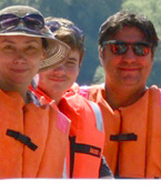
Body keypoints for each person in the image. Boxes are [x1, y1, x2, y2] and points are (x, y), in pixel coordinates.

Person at [85, 10, 161, 180]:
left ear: (152, 55)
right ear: (101, 53)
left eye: (140, 49)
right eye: (118, 48)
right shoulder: (74, 108)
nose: (129, 58)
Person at [0, 5, 74, 179]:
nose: (20, 58)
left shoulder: (51, 118)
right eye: (9, 47)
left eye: (30, 48)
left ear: (43, 55)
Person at [34, 17, 110, 178]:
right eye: (52, 60)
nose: (60, 71)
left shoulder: (91, 114)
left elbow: (104, 177)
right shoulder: (20, 105)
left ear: (79, 66)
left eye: (70, 62)